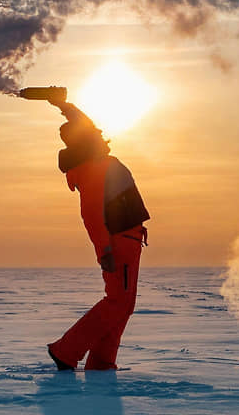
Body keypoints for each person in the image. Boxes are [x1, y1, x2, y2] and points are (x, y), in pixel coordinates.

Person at [46, 99, 150, 371]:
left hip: (129, 239)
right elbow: (91, 215)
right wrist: (104, 251)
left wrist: (64, 105)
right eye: (94, 134)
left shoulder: (95, 160)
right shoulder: (93, 168)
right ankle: (66, 350)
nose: (102, 134)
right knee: (117, 302)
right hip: (118, 242)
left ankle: (102, 361)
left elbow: (88, 127)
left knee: (124, 304)